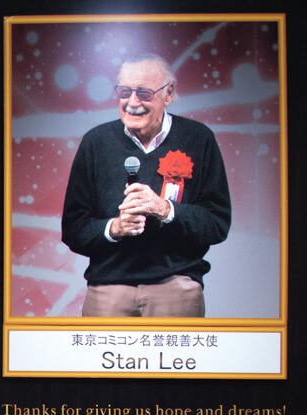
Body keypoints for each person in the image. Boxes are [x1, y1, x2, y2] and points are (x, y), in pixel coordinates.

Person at [60, 53, 231, 318]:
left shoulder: (198, 139)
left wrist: (166, 210)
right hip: (108, 287)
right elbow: (73, 229)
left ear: (169, 93)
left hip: (176, 285)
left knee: (175, 360)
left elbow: (217, 224)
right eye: (125, 91)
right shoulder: (96, 142)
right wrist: (114, 228)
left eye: (144, 93)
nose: (132, 102)